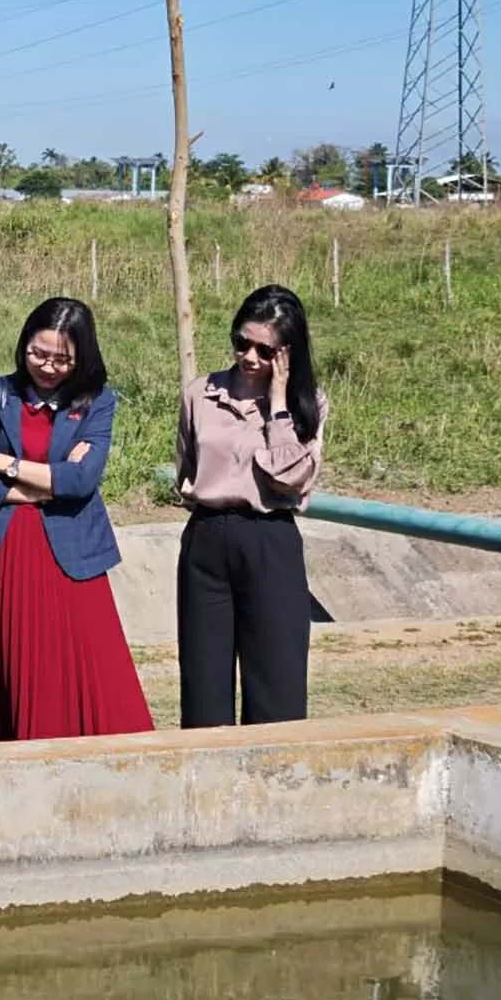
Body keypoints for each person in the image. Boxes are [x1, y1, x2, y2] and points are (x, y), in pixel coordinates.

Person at [0, 297, 153, 742]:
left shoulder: (98, 401)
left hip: (70, 558)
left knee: (86, 673)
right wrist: (49, 484)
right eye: (37, 353)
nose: (47, 366)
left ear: (83, 356)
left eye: (62, 359)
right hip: (0, 560)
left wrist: (3, 464)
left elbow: (82, 481)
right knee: (12, 665)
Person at [175, 284, 328, 728]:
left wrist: (278, 405)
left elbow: (291, 476)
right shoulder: (200, 393)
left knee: (276, 685)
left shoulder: (308, 405)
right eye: (242, 342)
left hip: (269, 539)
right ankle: (207, 788)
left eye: (265, 349)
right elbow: (187, 465)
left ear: (286, 353)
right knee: (203, 687)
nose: (250, 357)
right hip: (206, 538)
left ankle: (275, 789)